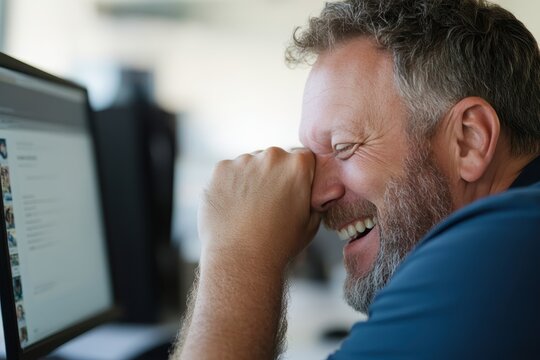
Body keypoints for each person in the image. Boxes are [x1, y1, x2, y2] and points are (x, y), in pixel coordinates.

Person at [172, 0, 540, 358]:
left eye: (343, 146)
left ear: (469, 140)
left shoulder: (492, 257)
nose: (317, 193)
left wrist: (239, 253)